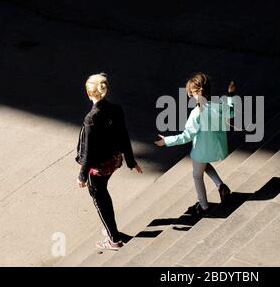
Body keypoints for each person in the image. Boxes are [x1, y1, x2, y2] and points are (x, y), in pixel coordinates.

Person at [76, 73, 143, 250]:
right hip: (113, 161)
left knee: (99, 198)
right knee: (103, 192)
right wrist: (130, 160)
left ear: (89, 93)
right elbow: (124, 135)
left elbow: (88, 151)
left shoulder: (91, 118)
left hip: (98, 167)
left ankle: (114, 239)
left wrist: (82, 175)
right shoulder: (116, 109)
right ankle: (110, 229)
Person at [155, 72, 235, 216]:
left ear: (197, 93)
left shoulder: (196, 113)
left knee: (197, 176)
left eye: (191, 94)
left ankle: (204, 206)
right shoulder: (218, 105)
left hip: (202, 151)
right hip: (216, 148)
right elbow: (231, 112)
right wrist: (230, 96)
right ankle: (221, 186)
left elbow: (186, 136)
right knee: (204, 166)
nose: (190, 97)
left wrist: (166, 141)